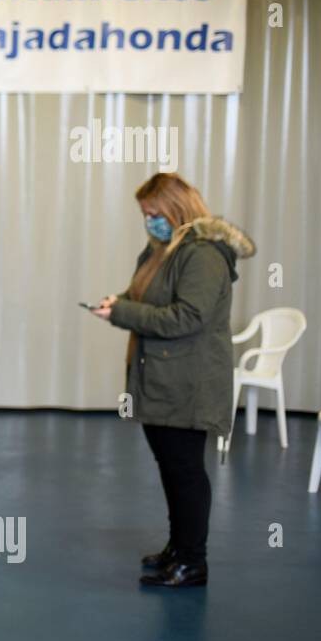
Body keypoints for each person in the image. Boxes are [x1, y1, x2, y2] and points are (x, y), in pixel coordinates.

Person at [92, 172, 254, 588]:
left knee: (185, 471)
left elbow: (189, 316)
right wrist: (118, 304)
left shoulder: (202, 255)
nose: (149, 222)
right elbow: (144, 298)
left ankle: (193, 562)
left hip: (189, 382)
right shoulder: (163, 250)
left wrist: (125, 314)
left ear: (176, 208)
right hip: (163, 379)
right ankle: (178, 548)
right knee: (171, 467)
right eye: (145, 215)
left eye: (154, 213)